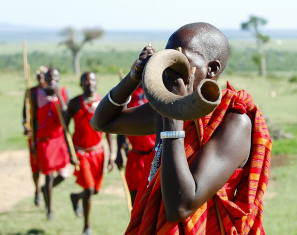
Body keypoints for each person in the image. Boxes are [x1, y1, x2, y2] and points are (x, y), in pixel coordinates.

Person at [91, 22, 272, 234]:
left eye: (179, 60)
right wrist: (133, 78)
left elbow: (181, 206)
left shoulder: (234, 120)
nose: (168, 68)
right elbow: (102, 122)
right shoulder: (167, 110)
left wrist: (172, 114)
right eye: (167, 58)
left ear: (212, 69)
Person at [65, 72, 114, 235]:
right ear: (81, 84)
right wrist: (69, 152)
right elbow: (65, 129)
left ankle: (75, 197)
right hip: (81, 153)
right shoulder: (74, 104)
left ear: (96, 82)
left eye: (92, 79)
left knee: (95, 190)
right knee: (89, 189)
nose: (89, 83)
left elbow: (109, 130)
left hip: (98, 153)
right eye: (85, 80)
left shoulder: (103, 102)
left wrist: (112, 154)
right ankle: (87, 226)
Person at [36, 68, 70, 220]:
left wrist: (58, 96)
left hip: (59, 139)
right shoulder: (38, 93)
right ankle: (49, 209)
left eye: (55, 77)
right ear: (45, 78)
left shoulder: (63, 92)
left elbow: (65, 114)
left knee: (63, 175)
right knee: (49, 176)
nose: (52, 80)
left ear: (59, 78)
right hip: (45, 141)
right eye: (49, 77)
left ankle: (44, 189)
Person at [115, 85, 156, 206]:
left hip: (156, 157)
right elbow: (120, 124)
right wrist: (119, 152)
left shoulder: (157, 91)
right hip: (135, 157)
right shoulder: (127, 95)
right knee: (136, 202)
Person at [22, 66, 48, 206]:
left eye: (43, 75)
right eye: (38, 75)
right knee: (35, 165)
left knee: (48, 167)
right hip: (34, 134)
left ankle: (45, 190)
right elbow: (24, 114)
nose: (41, 78)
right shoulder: (31, 91)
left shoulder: (49, 92)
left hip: (47, 135)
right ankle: (37, 189)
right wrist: (26, 127)